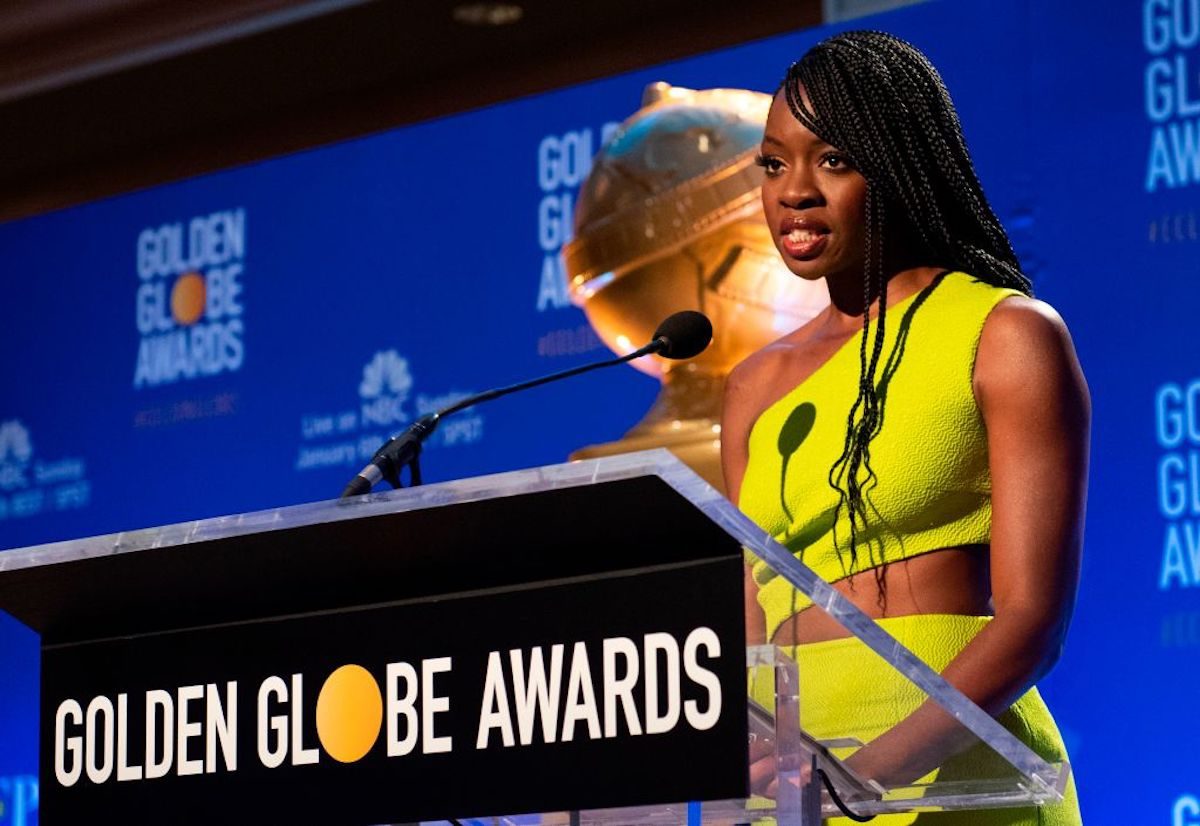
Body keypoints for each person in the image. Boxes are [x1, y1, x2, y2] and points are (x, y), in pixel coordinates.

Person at [721, 31, 1088, 825]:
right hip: (789, 788)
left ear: (897, 163)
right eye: (774, 165)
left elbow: (1032, 621)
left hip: (955, 766)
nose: (794, 192)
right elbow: (748, 637)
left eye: (833, 160)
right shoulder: (754, 387)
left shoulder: (1005, 334)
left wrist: (855, 780)